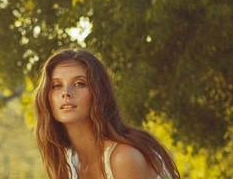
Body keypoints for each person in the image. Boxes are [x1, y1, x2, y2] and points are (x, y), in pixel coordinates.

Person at [33, 49, 180, 179]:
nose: (66, 93)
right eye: (56, 86)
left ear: (99, 93)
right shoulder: (67, 163)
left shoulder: (124, 158)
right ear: (46, 97)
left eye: (80, 83)